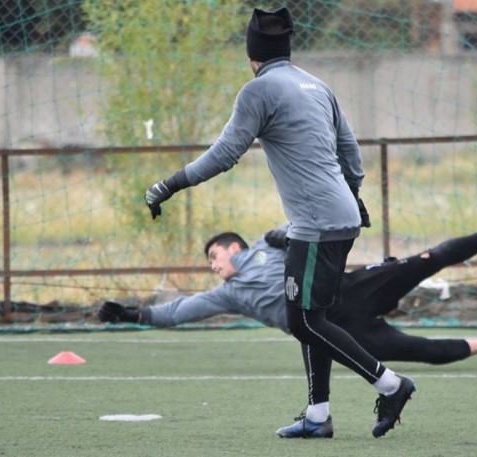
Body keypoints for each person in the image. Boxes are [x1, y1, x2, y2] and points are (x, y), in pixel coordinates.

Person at [142, 6, 413, 438]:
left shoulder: (258, 90)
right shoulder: (318, 85)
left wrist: (168, 185)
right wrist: (353, 194)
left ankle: (391, 384)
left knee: (302, 321)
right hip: (340, 217)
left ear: (252, 55)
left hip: (314, 224)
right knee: (314, 316)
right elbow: (351, 153)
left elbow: (225, 154)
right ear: (286, 48)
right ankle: (318, 417)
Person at [100, 207, 477, 438]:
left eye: (214, 257)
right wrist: (133, 315)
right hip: (331, 332)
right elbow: (178, 312)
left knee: (425, 261)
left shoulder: (266, 246)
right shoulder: (229, 294)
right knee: (420, 351)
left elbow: (311, 221)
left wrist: (289, 233)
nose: (213, 267)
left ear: (234, 247)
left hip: (348, 290)